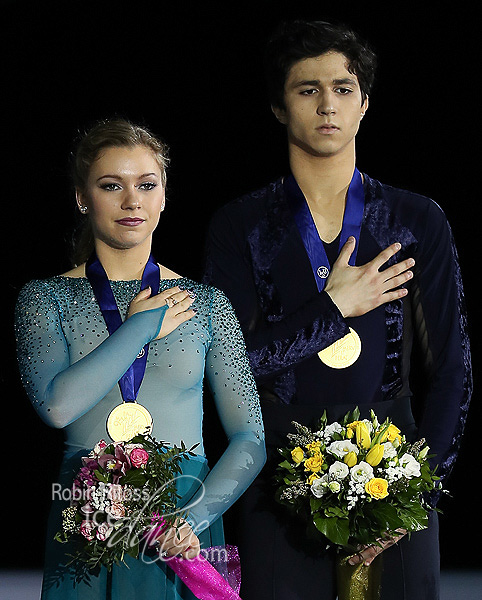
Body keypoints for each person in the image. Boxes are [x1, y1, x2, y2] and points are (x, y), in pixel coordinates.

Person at [204, 19, 472, 600]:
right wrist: (333, 308)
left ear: (364, 104)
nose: (328, 104)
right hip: (277, 473)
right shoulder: (241, 225)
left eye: (343, 88)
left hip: (394, 469)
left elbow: (452, 370)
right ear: (279, 106)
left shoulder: (415, 219)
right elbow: (228, 367)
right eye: (307, 89)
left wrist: (418, 492)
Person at [14, 118, 266, 599]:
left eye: (146, 185)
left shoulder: (207, 304)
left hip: (184, 523)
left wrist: (193, 517)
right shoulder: (44, 298)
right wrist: (139, 327)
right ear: (82, 197)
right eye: (112, 185)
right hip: (85, 513)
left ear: (164, 196)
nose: (132, 201)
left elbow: (250, 438)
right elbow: (56, 407)